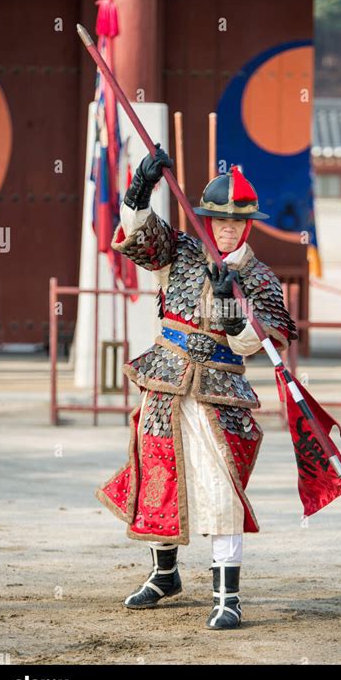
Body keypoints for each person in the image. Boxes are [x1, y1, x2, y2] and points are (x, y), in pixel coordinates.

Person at [95, 145, 298, 630]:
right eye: (218, 221)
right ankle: (164, 574)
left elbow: (258, 344)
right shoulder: (183, 253)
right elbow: (138, 235)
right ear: (207, 220)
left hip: (218, 396)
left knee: (220, 488)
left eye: (235, 223)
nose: (226, 230)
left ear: (247, 225)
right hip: (163, 381)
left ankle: (227, 596)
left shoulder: (261, 279)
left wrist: (230, 304)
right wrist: (141, 189)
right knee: (159, 477)